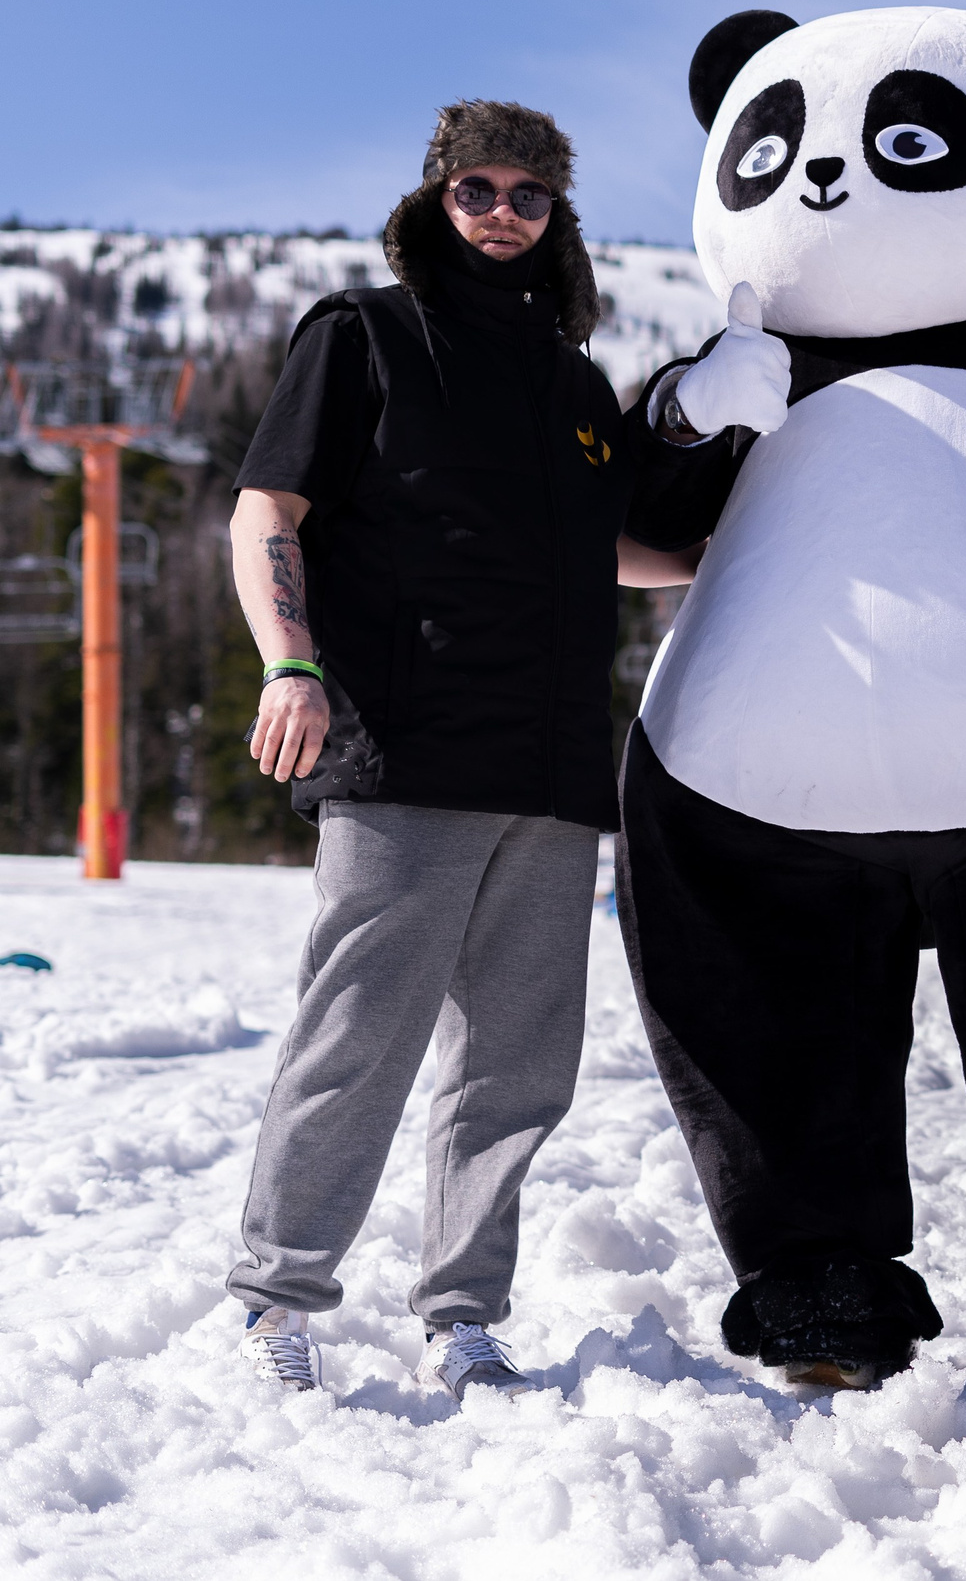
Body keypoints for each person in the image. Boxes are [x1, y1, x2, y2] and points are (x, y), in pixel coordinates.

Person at [226, 101, 682, 1402]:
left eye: (528, 194)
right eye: (477, 187)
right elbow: (269, 506)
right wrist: (291, 660)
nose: (501, 211)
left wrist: (720, 560)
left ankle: (465, 1312)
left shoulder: (577, 388)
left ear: (559, 217)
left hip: (547, 770)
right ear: (436, 199)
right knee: (358, 1038)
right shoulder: (363, 336)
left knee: (517, 1064)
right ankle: (276, 1299)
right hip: (406, 749)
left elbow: (608, 548)